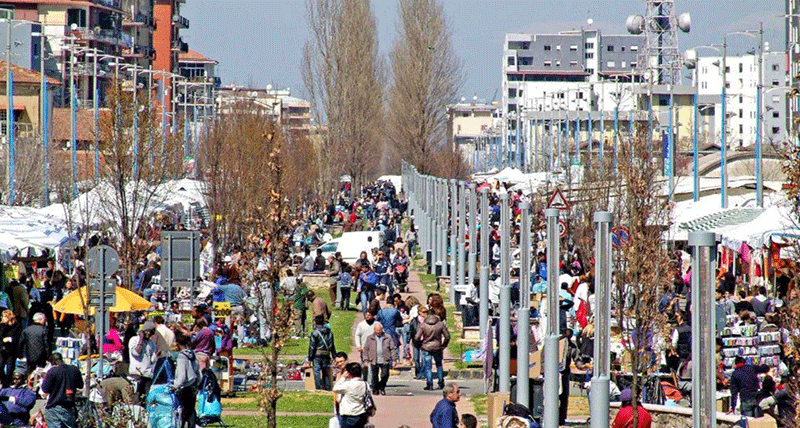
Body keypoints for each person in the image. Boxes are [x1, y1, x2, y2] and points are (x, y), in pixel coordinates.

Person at [41, 352, 83, 428]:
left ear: (53, 362)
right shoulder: (74, 369)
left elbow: (45, 389)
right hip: (69, 406)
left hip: (54, 405)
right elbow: (80, 385)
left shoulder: (52, 371)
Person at [415, 310, 450, 391]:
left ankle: (429, 383)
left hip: (426, 347)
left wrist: (420, 345)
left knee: (428, 366)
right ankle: (441, 382)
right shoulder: (440, 324)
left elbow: (417, 337)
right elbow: (447, 336)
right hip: (437, 347)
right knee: (439, 365)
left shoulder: (423, 325)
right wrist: (444, 345)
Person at [362, 322, 398, 396]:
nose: (378, 332)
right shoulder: (370, 338)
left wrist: (394, 359)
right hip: (374, 359)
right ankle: (375, 389)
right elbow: (366, 350)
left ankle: (382, 387)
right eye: (377, 330)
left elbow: (392, 349)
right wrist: (365, 360)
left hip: (385, 359)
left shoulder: (387, 337)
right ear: (374, 330)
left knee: (385, 375)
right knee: (374, 376)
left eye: (379, 330)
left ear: (382, 329)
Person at [173, 332, 200, 428]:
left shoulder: (181, 356)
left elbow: (182, 375)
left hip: (185, 387)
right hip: (193, 384)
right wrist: (198, 383)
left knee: (183, 411)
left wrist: (175, 385)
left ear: (178, 344)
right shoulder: (193, 354)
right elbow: (198, 371)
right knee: (191, 410)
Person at [333, 362, 371, 428]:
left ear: (349, 373)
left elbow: (335, 388)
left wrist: (342, 377)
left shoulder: (348, 385)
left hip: (348, 413)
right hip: (361, 413)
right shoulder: (365, 384)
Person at [128, 321, 158, 402]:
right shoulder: (134, 340)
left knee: (146, 398)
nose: (149, 334)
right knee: (136, 397)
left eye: (151, 332)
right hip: (136, 373)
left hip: (147, 374)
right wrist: (141, 339)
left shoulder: (152, 344)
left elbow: (152, 360)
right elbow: (136, 353)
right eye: (147, 331)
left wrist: (156, 354)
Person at [308, 315, 336, 391]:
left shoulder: (315, 333)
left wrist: (310, 358)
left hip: (317, 355)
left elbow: (312, 347)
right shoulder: (329, 333)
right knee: (325, 372)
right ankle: (327, 388)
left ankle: (318, 388)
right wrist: (334, 356)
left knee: (317, 372)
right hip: (326, 355)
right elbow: (332, 346)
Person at [0, 311, 20, 387]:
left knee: (10, 368)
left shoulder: (16, 326)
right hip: (2, 349)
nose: (2, 318)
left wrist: (11, 339)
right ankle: (3, 379)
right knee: (0, 366)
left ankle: (7, 383)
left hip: (11, 350)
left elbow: (18, 337)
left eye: (4, 317)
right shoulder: (1, 326)